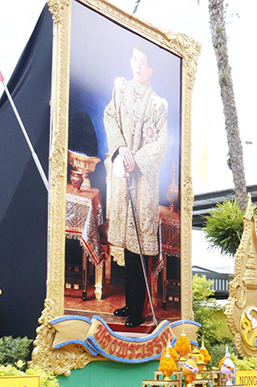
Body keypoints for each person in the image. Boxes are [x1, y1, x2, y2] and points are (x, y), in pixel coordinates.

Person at [104, 46, 168, 328]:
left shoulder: (158, 105)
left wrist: (137, 160)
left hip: (144, 183)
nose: (138, 65)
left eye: (143, 62)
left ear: (150, 70)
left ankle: (139, 310)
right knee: (128, 247)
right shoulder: (121, 90)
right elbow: (109, 117)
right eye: (135, 60)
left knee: (140, 247)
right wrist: (121, 149)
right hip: (123, 178)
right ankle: (130, 303)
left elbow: (161, 144)